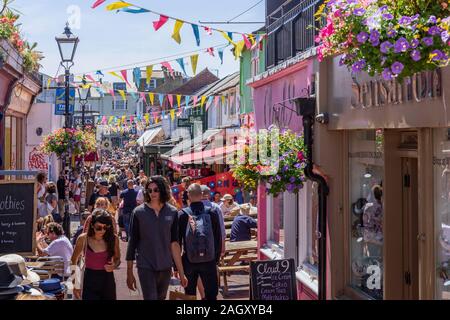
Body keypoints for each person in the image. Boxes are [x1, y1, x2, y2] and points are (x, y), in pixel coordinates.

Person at [126, 176, 188, 300]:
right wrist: (129, 272)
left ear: (162, 190)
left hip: (165, 265)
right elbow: (132, 242)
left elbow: (175, 243)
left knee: (161, 297)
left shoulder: (172, 212)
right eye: (149, 190)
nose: (152, 193)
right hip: (145, 264)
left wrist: (181, 272)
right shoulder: (138, 212)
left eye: (156, 190)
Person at [178, 183, 223, 300]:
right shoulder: (212, 212)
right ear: (202, 195)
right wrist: (216, 258)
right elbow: (218, 238)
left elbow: (177, 242)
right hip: (209, 260)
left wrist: (176, 266)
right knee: (211, 294)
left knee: (190, 294)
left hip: (189, 261)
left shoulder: (182, 215)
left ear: (188, 195)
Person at [71, 209, 120, 300]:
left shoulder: (113, 238)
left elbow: (117, 259)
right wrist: (75, 283)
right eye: (99, 227)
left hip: (107, 280)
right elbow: (73, 260)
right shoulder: (83, 238)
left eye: (105, 227)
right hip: (90, 279)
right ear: (92, 225)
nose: (102, 230)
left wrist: (114, 265)